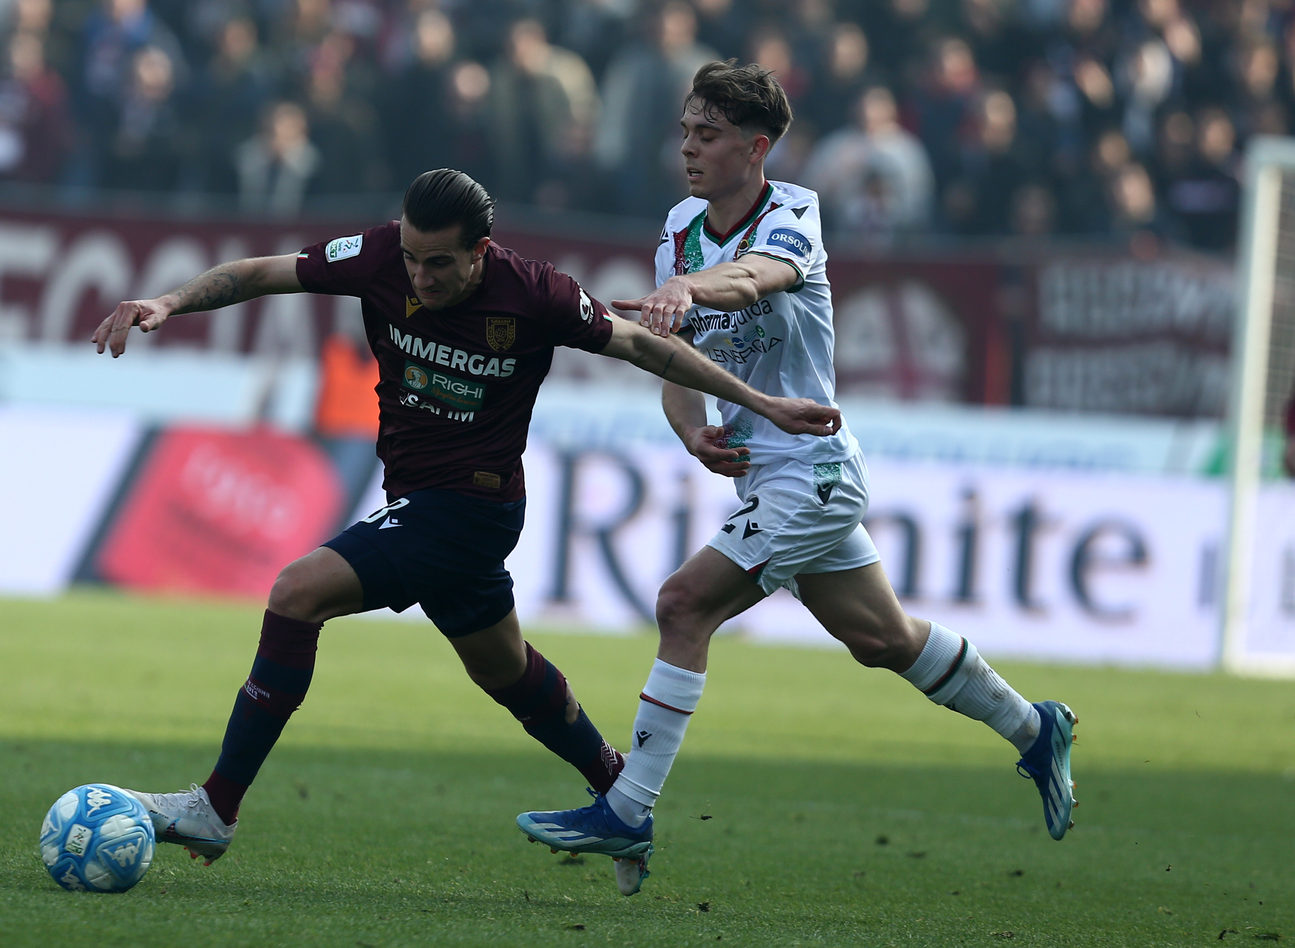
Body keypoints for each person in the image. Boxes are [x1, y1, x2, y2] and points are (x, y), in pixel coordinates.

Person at [90, 168, 840, 865]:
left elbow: (648, 347)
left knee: (296, 592)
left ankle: (215, 807)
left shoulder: (536, 293)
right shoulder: (378, 256)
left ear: (481, 251)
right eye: (412, 259)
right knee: (503, 669)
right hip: (419, 500)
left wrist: (761, 404)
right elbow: (262, 273)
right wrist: (168, 303)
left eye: (439, 263)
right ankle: (620, 792)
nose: (420, 277)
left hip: (471, 506)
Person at [516, 61, 1078, 898]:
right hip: (760, 475)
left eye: (707, 134)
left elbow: (752, 279)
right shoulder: (680, 227)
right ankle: (1036, 728)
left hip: (812, 469)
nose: (687, 148)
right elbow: (675, 356)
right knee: (882, 640)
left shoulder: (795, 214)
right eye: (684, 131)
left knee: (683, 605)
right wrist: (690, 430)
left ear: (756, 147)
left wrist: (685, 288)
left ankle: (628, 807)